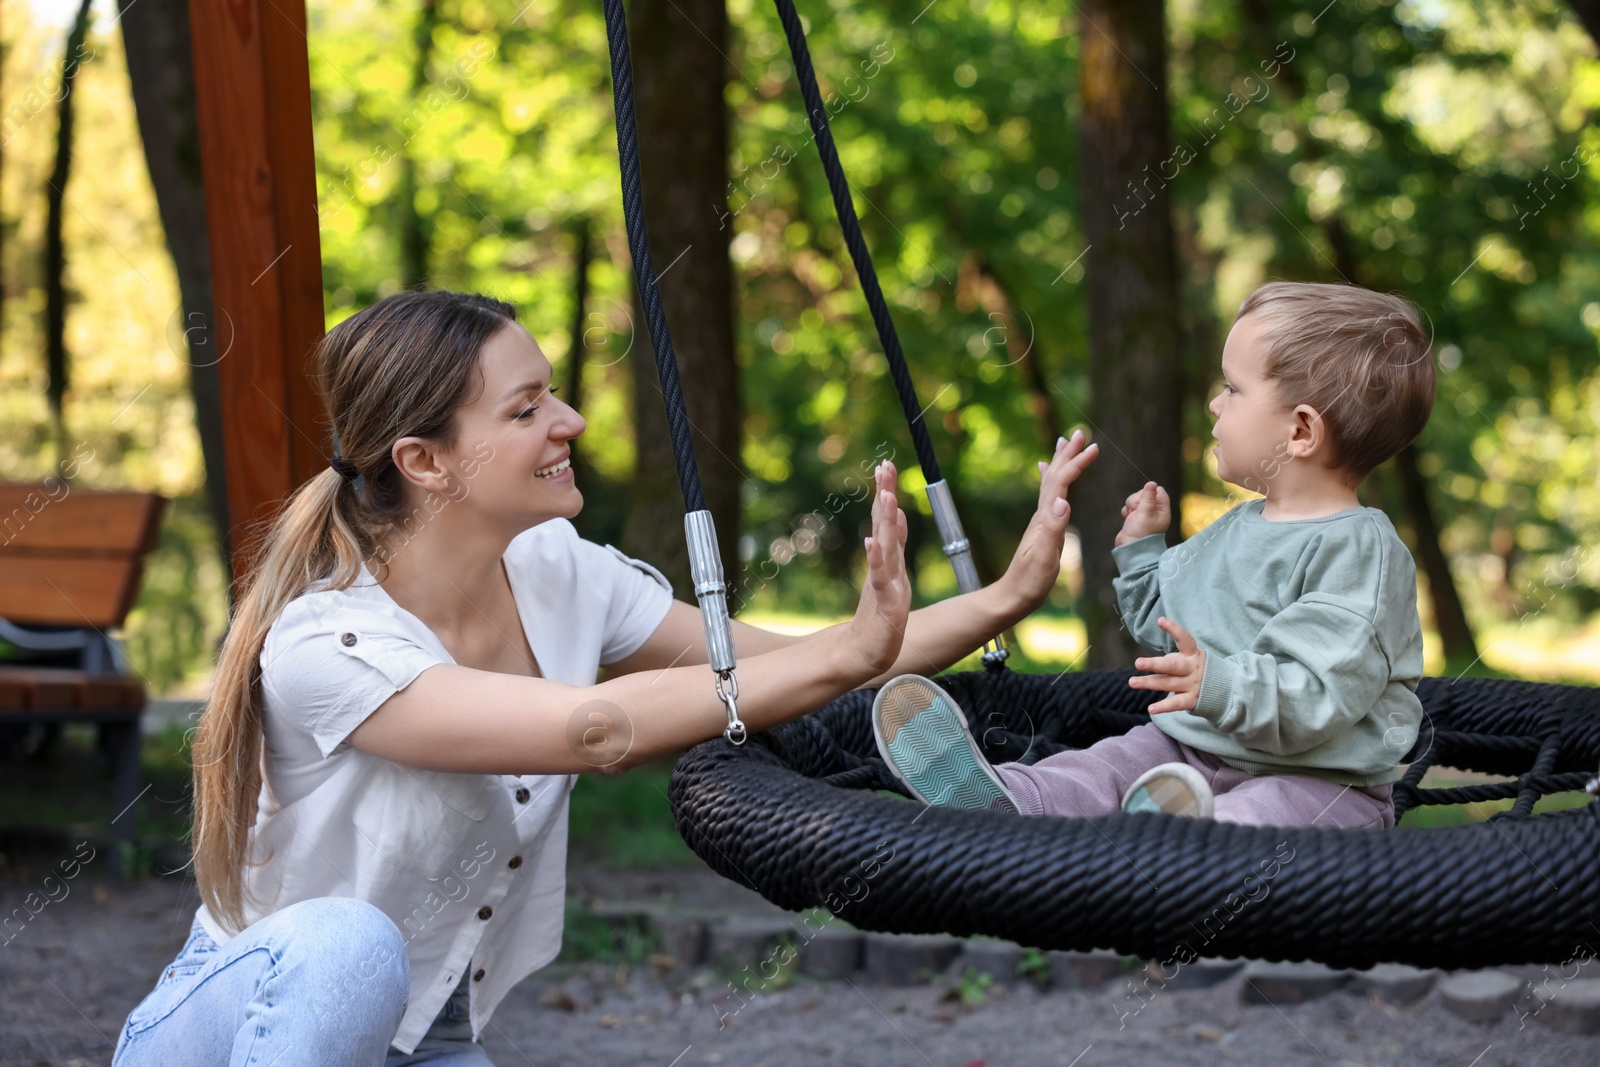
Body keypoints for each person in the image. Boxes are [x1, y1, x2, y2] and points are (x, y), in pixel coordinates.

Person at [111, 289, 1099, 1066]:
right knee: (347, 945)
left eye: (555, 393)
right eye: (528, 406)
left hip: (426, 1042)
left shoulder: (559, 570)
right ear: (425, 459)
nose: (572, 419)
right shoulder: (326, 644)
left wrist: (1006, 594)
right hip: (238, 1028)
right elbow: (594, 728)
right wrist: (849, 653)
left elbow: (789, 662)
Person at [873, 280, 1434, 829]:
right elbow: (1170, 630)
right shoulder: (1239, 526)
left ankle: (1181, 842)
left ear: (1302, 430)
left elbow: (1320, 695)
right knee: (1108, 765)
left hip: (1320, 783)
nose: (1214, 403)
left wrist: (1214, 684)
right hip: (1191, 753)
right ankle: (1014, 800)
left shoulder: (1358, 552)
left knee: (1260, 817)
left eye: (1234, 389)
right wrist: (1142, 556)